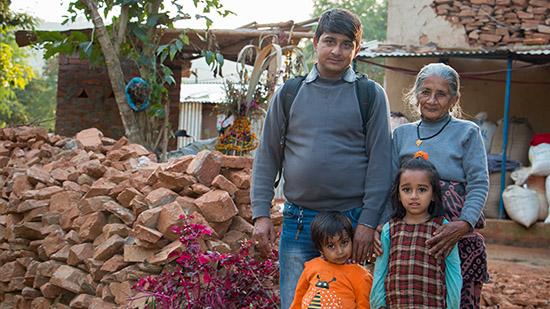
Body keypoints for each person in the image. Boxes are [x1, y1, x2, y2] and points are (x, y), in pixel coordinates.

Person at [250, 8, 392, 308]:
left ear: (356, 48)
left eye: (346, 44)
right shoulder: (290, 92)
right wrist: (261, 215)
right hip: (299, 222)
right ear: (315, 43)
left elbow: (381, 165)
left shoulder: (370, 95)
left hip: (351, 225)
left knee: (350, 302)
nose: (337, 51)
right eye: (329, 41)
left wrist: (367, 224)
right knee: (297, 302)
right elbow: (267, 158)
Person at [386, 62, 489, 308]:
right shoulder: (402, 135)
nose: (432, 100)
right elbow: (390, 185)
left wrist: (463, 225)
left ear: (454, 99)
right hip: (409, 237)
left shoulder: (468, 132)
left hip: (454, 234)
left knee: (454, 296)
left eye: (441, 94)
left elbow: (479, 182)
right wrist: (384, 229)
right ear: (416, 94)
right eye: (425, 92)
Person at [370, 153, 462, 308]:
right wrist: (378, 305)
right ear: (398, 194)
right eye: (406, 189)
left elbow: (453, 273)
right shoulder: (389, 230)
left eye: (422, 190)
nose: (414, 196)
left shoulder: (443, 229)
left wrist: (453, 306)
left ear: (433, 194)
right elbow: (380, 272)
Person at [290, 211, 373, 308]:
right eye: (331, 246)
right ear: (320, 249)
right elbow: (299, 297)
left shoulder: (361, 276)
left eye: (344, 243)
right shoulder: (311, 266)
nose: (340, 251)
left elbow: (364, 306)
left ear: (352, 240)